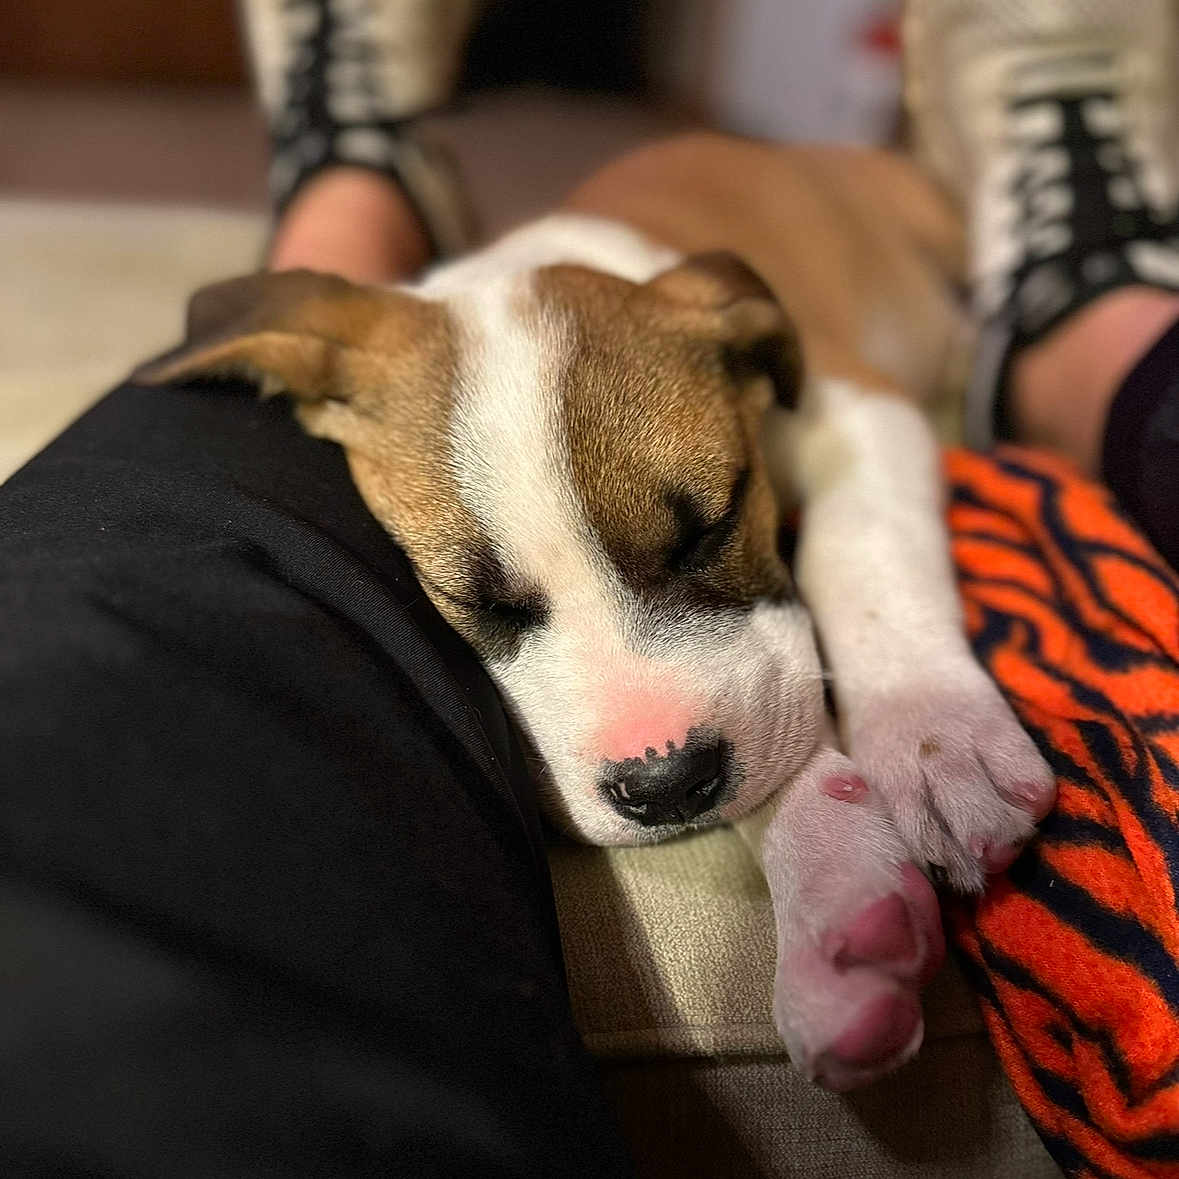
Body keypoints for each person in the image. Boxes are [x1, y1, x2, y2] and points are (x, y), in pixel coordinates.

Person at [1, 0, 1178, 1174]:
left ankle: (354, 192)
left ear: (748, 349)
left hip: (896, 228)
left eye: (696, 537)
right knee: (220, 438)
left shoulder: (696, 321)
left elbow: (851, 419)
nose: (649, 742)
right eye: (503, 607)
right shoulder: (399, 407)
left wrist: (906, 676)